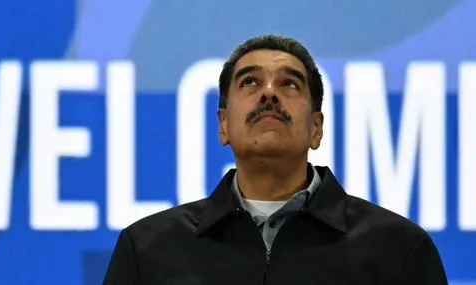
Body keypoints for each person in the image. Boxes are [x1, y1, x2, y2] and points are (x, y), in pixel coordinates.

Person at [103, 35, 448, 285]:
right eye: (250, 81)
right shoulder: (148, 251)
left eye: (290, 84)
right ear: (223, 125)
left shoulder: (398, 249)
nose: (269, 92)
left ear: (316, 128)